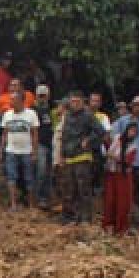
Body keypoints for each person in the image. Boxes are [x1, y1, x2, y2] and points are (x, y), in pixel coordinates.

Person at [54, 91, 104, 225]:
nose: (74, 104)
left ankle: (86, 218)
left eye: (77, 102)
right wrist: (62, 155)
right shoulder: (68, 116)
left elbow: (101, 131)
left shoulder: (88, 115)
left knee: (84, 190)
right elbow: (64, 136)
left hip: (82, 157)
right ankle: (71, 216)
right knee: (69, 189)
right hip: (69, 158)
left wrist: (89, 139)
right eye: (72, 102)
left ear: (83, 102)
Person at [0, 85, 40, 210]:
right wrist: (1, 151)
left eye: (14, 100)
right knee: (11, 177)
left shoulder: (31, 114)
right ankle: (13, 204)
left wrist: (34, 152)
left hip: (27, 151)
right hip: (11, 150)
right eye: (11, 99)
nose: (11, 102)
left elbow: (35, 135)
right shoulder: (7, 114)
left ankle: (31, 205)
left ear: (22, 101)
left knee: (29, 178)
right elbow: (4, 134)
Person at [112, 95, 139, 211]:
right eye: (136, 106)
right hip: (123, 161)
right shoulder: (122, 121)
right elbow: (114, 136)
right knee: (124, 188)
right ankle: (123, 211)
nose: (138, 108)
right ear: (132, 106)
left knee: (138, 189)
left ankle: (137, 214)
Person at [102, 122, 139, 234]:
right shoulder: (117, 138)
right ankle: (108, 224)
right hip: (111, 173)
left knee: (123, 202)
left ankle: (120, 227)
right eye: (131, 130)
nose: (132, 133)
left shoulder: (133, 146)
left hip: (123, 176)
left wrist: (114, 157)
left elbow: (128, 161)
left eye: (134, 132)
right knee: (110, 200)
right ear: (126, 130)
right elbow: (108, 147)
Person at [33, 85, 56, 208]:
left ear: (48, 96)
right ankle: (37, 198)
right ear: (36, 95)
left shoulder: (52, 109)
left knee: (49, 172)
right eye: (40, 95)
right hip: (40, 144)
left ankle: (46, 198)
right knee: (41, 171)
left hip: (51, 143)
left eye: (44, 95)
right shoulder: (33, 110)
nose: (42, 98)